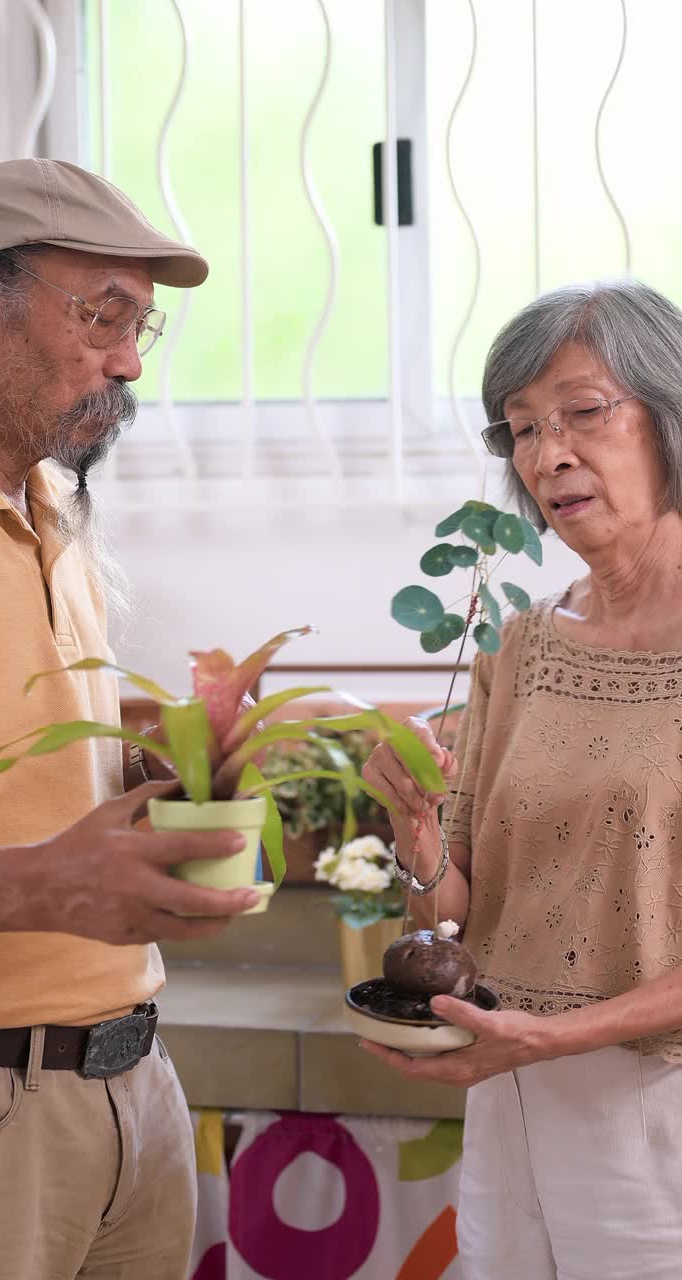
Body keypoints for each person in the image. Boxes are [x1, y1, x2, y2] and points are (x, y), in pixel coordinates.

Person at [0, 157, 260, 1279]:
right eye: (103, 314)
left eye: (145, 325)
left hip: (133, 1083)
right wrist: (39, 885)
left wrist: (195, 747)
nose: (130, 359)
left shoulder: (48, 503)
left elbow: (25, 731)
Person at [363, 279, 682, 1280]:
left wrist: (550, 1038)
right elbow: (454, 902)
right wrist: (415, 840)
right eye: (522, 430)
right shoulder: (524, 644)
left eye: (585, 412)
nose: (549, 454)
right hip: (506, 1091)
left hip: (654, 1112)